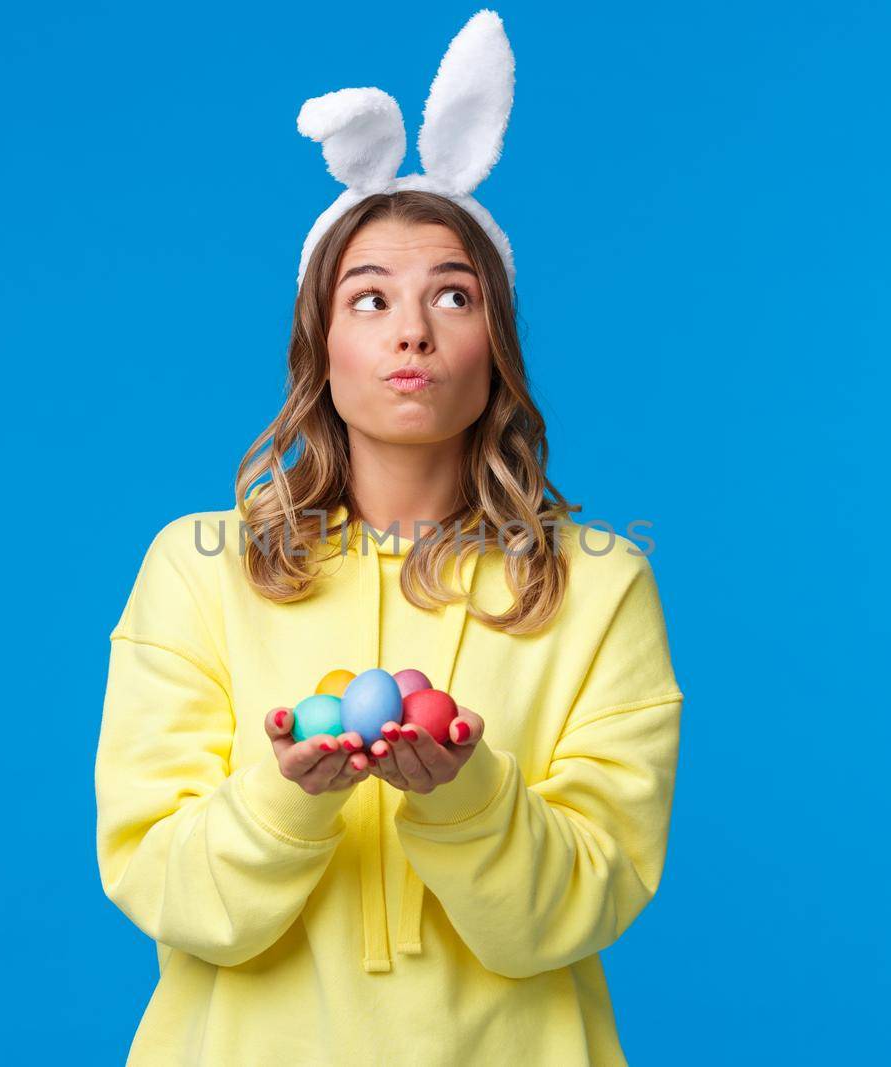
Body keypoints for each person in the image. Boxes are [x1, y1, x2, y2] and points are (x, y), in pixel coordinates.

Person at [95, 13, 683, 1065]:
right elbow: (172, 891)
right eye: (369, 297)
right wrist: (287, 792)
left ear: (495, 345)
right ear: (320, 347)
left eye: (451, 295)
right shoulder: (196, 569)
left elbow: (580, 905)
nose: (411, 328)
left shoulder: (600, 585)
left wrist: (461, 791)